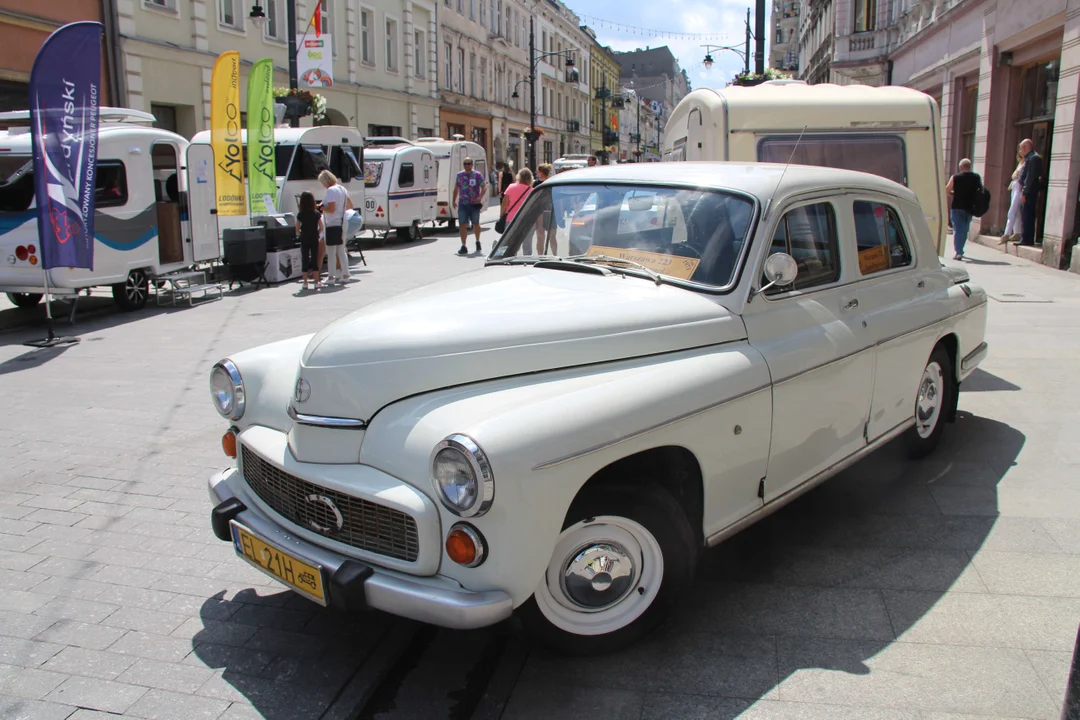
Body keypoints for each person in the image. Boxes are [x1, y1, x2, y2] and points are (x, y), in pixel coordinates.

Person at [319, 169, 353, 284]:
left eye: (322, 182)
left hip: (332, 223)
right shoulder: (342, 188)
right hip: (343, 221)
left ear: (325, 181)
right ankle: (345, 274)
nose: (323, 185)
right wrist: (340, 211)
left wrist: (321, 208)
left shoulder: (331, 191)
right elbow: (350, 205)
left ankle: (331, 277)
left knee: (331, 251)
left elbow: (331, 209)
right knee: (341, 249)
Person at [945, 158, 981, 261]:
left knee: (957, 229)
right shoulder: (976, 177)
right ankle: (960, 249)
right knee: (964, 229)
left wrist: (953, 193)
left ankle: (958, 252)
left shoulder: (955, 177)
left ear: (960, 167)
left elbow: (947, 190)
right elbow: (979, 191)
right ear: (970, 167)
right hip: (969, 207)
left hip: (957, 206)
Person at [452, 156, 487, 255]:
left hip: (474, 204)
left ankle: (477, 241)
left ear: (472, 164)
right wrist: (453, 200)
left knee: (475, 223)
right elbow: (456, 188)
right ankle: (463, 245)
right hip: (463, 203)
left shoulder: (477, 175)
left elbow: (484, 187)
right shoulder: (460, 175)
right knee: (462, 224)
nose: (467, 165)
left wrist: (480, 197)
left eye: (468, 163)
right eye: (465, 163)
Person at [295, 191, 324, 291]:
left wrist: (300, 234)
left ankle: (305, 283)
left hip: (304, 238)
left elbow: (297, 228)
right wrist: (317, 233)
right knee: (315, 259)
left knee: (305, 259)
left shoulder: (300, 214)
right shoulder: (316, 213)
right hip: (314, 238)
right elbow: (321, 227)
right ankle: (316, 282)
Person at [1017, 138, 1043, 247]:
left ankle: (1027, 239)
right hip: (1028, 190)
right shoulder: (1029, 158)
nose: (1020, 150)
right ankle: (1026, 238)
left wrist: (1024, 192)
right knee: (1026, 214)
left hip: (1030, 191)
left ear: (1025, 147)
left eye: (1021, 148)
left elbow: (1030, 177)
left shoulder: (1033, 158)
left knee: (1027, 215)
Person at [501, 168, 534, 252]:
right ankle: (527, 261)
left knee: (507, 242)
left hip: (511, 219)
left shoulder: (511, 187)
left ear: (519, 177)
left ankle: (504, 259)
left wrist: (501, 216)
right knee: (527, 244)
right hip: (527, 219)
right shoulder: (532, 191)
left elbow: (504, 204)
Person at [1001, 144, 1025, 245]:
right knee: (1017, 212)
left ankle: (1006, 234)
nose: (1020, 151)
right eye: (1019, 149)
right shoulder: (1020, 162)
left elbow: (1021, 176)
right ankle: (1017, 232)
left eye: (1021, 149)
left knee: (1012, 210)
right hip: (1014, 186)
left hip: (1019, 187)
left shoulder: (1026, 163)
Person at [533, 164, 556, 255]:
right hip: (551, 211)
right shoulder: (553, 182)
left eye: (538, 171)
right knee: (552, 237)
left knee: (540, 236)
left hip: (540, 211)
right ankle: (555, 255)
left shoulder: (536, 184)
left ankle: (540, 256)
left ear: (541, 172)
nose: (537, 173)